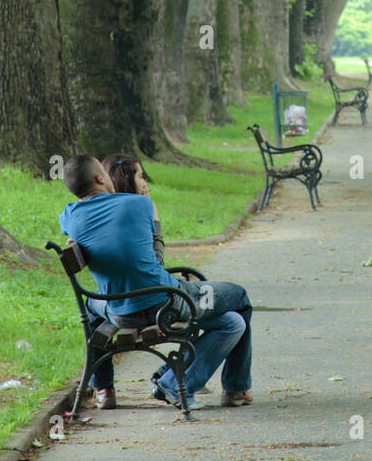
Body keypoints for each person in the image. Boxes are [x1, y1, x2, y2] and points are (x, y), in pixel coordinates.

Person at [59, 154, 253, 413]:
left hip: (117, 313)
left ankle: (105, 389)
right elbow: (156, 262)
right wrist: (155, 216)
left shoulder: (69, 216)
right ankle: (233, 388)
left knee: (232, 323)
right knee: (238, 297)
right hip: (168, 301)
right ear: (98, 177)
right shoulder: (139, 204)